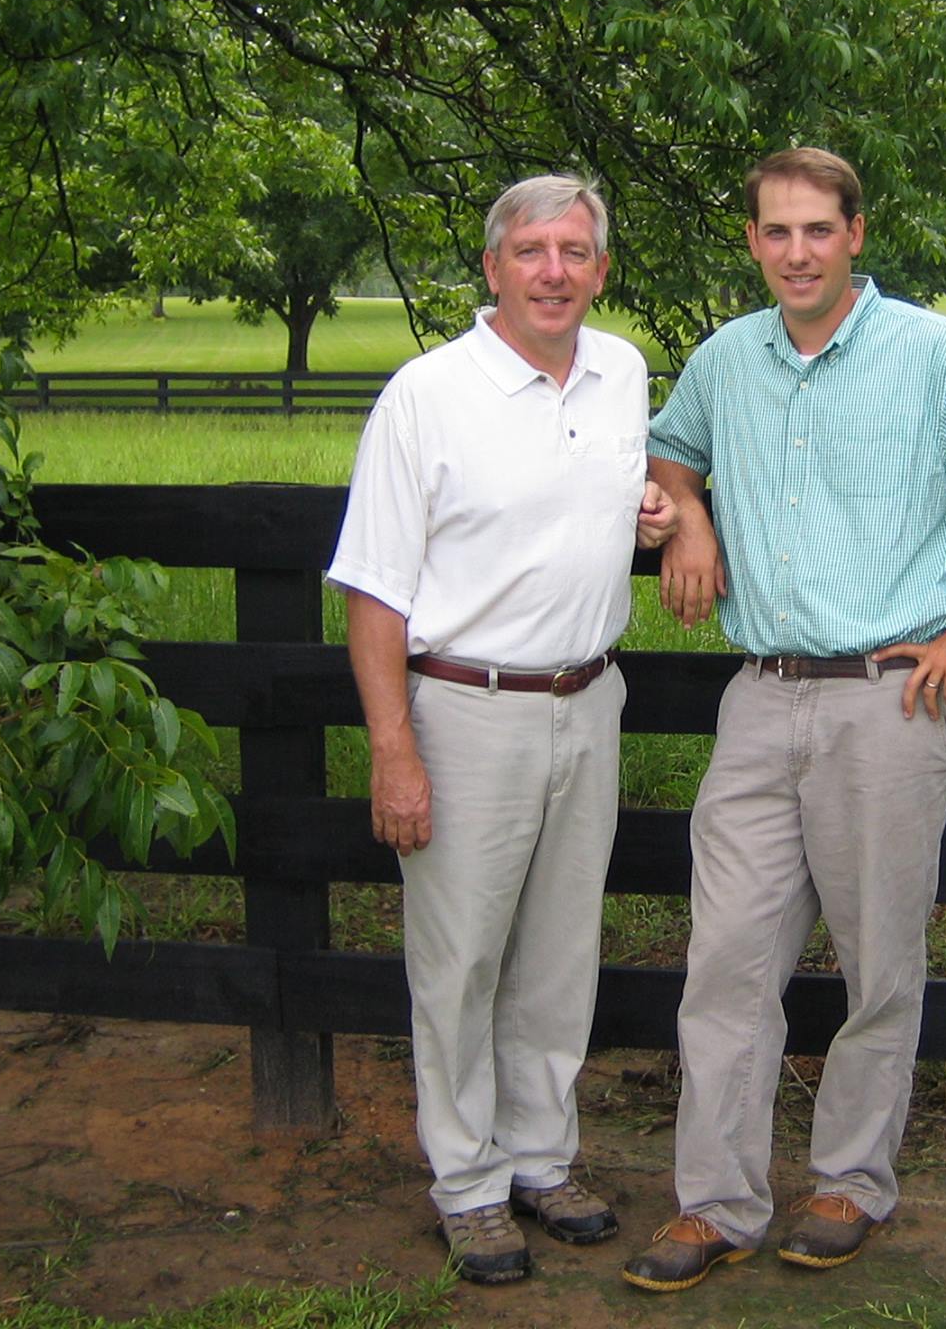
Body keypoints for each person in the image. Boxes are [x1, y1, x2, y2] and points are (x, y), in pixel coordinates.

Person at [620, 147, 946, 1293]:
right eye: (774, 233)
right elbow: (669, 447)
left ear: (855, 234)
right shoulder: (726, 360)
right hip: (757, 697)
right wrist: (684, 516)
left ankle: (848, 1184)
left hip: (892, 697)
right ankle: (717, 1203)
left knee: (878, 960)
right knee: (723, 962)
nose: (794, 252)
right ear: (752, 242)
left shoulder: (932, 354)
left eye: (815, 230)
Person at [327, 174, 677, 1286]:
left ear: (601, 269)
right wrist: (395, 750)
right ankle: (469, 1185)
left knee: (559, 950)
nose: (553, 272)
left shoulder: (621, 373)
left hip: (590, 696)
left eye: (575, 252)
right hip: (465, 707)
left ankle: (541, 1155)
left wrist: (665, 510)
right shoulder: (426, 394)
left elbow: (633, 483)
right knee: (461, 955)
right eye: (530, 251)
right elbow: (374, 590)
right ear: (492, 268)